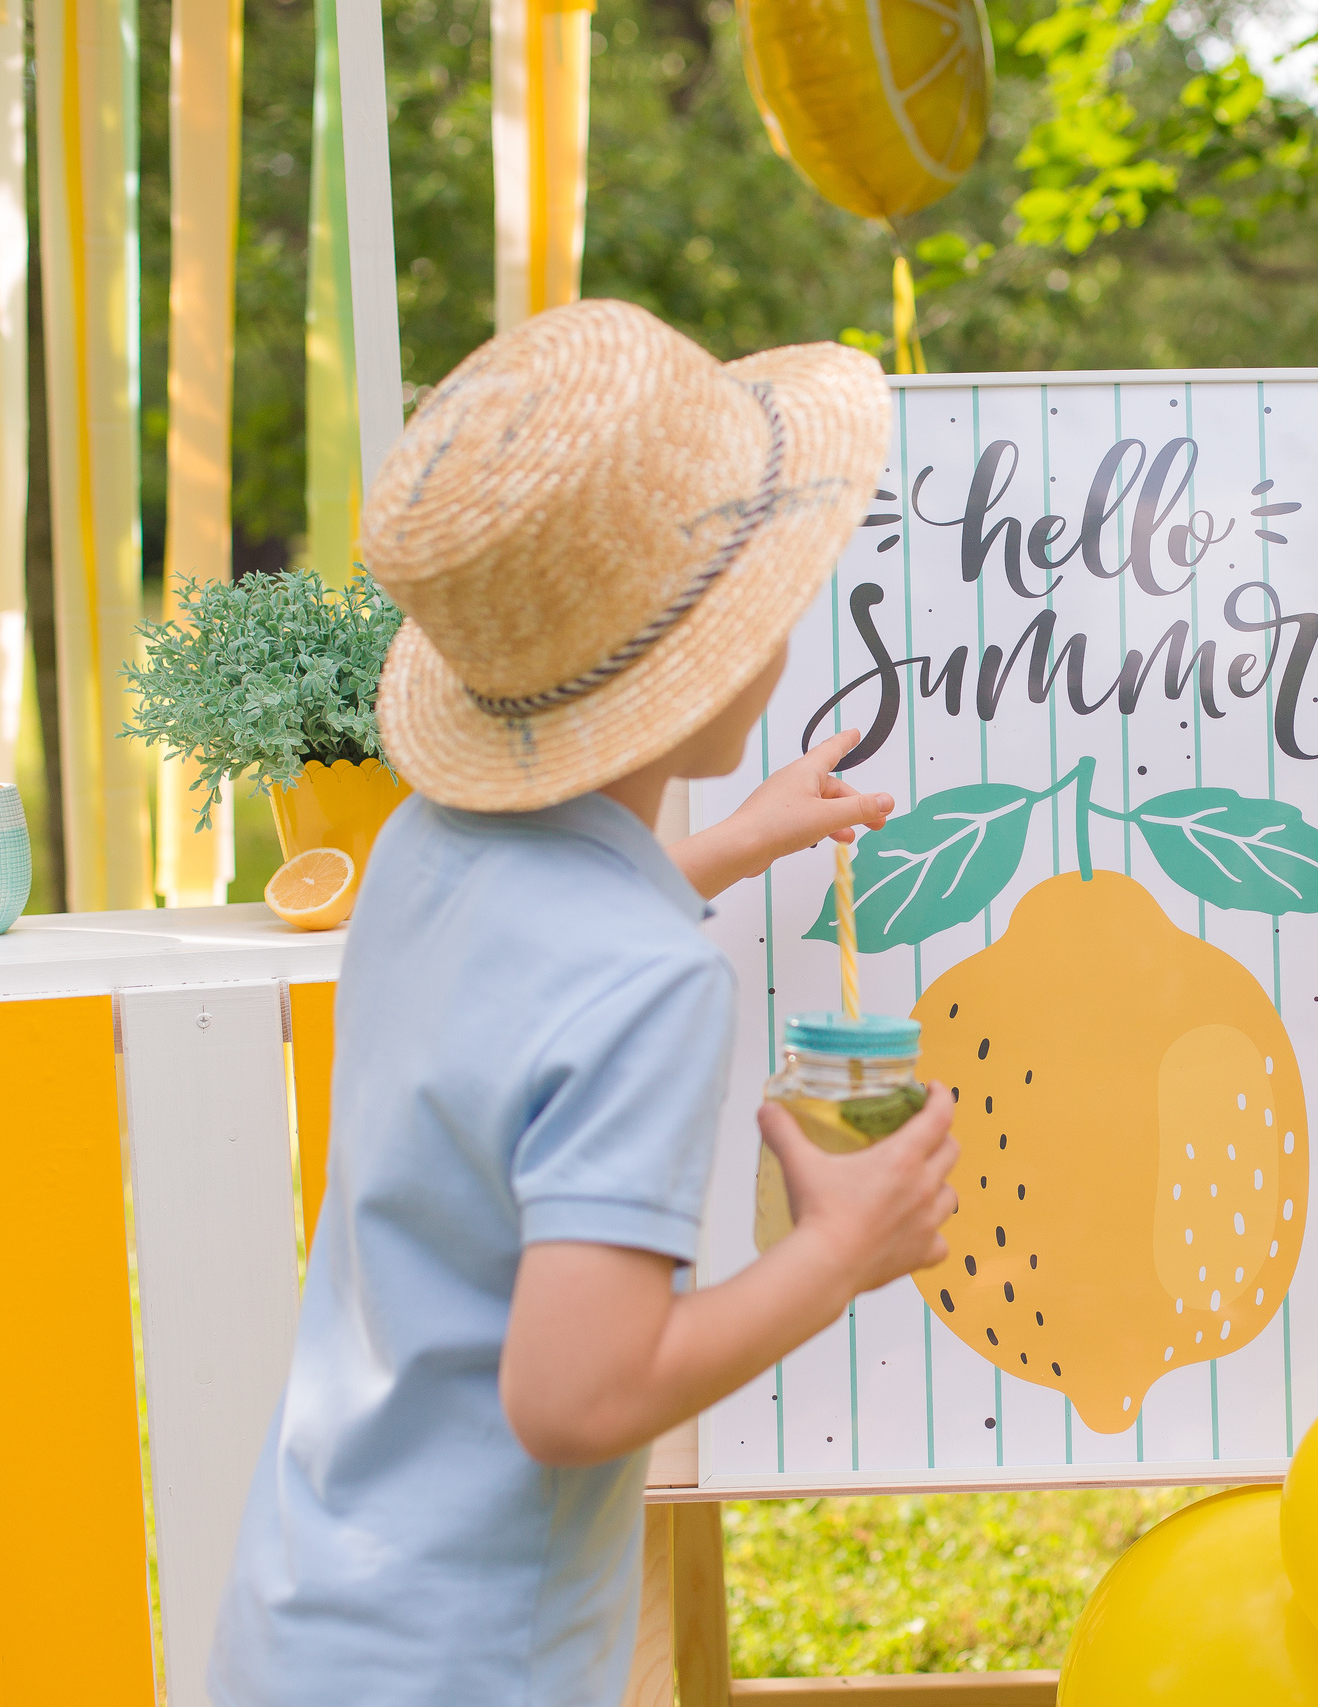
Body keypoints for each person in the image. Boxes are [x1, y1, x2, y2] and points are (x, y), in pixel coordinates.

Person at [211, 301, 960, 1707]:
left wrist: (729, 846)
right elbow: (576, 1401)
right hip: (470, 1668)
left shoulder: (424, 848)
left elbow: (537, 973)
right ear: (710, 663)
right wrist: (841, 1252)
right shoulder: (651, 986)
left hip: (311, 1612)